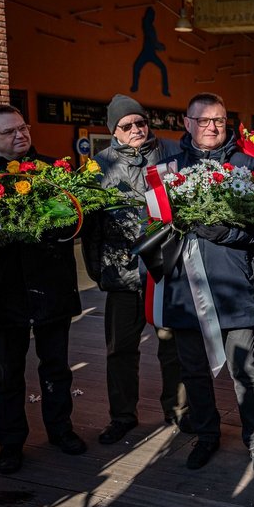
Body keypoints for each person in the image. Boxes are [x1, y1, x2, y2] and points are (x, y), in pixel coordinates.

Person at [0, 104, 87, 475]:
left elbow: (78, 221)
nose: (21, 135)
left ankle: (61, 429)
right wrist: (4, 226)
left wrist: (56, 222)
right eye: (9, 131)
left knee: (56, 367)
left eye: (23, 127)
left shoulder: (54, 170)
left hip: (52, 285)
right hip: (5, 290)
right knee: (8, 373)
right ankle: (10, 443)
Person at [156, 93, 254, 474]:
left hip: (233, 285)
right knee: (193, 370)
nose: (212, 127)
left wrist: (226, 233)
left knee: (246, 370)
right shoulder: (166, 170)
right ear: (187, 123)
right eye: (203, 120)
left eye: (219, 120)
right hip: (184, 289)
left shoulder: (248, 167)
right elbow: (151, 228)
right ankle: (206, 435)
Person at [81, 94, 185, 445]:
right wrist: (98, 272)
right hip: (121, 274)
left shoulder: (173, 154)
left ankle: (178, 410)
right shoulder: (98, 167)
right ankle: (122, 416)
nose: (136, 129)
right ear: (114, 131)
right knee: (120, 350)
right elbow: (92, 228)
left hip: (165, 271)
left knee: (172, 346)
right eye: (127, 125)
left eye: (141, 122)